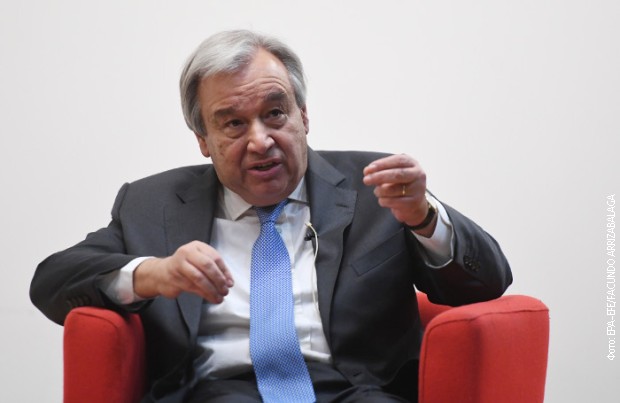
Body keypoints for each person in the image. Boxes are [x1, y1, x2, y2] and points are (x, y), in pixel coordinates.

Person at [30, 30, 512, 403]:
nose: (260, 140)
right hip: (217, 392)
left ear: (304, 116)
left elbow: (487, 282)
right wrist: (152, 274)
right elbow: (52, 281)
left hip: (357, 391)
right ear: (203, 141)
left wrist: (424, 218)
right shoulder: (153, 204)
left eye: (275, 113)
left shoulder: (376, 188)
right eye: (233, 123)